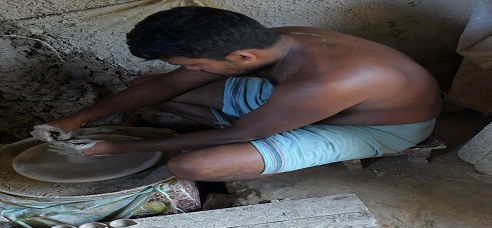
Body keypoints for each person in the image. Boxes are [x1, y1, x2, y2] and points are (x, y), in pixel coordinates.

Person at [32, 6, 442, 181]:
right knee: (145, 90)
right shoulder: (276, 43)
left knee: (192, 167)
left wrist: (115, 150)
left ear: (241, 55)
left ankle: (250, 126)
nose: (188, 72)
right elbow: (168, 85)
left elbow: (239, 135)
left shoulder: (324, 80)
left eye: (195, 65)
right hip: (297, 103)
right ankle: (252, 120)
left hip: (378, 129)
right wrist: (77, 118)